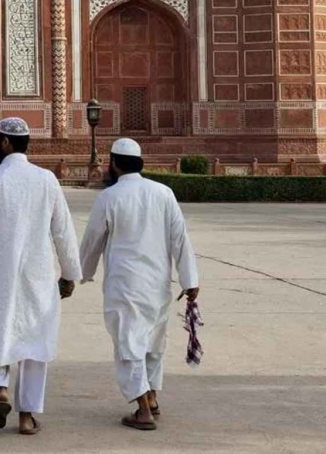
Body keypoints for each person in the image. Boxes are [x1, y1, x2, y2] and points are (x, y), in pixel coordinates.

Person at [0, 117, 81, 436]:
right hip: (38, 275)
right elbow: (63, 231)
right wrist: (70, 274)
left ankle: (0, 388)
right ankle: (27, 417)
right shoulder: (46, 179)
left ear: (6, 143)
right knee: (34, 343)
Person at [79, 137, 200, 432]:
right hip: (158, 282)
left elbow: (93, 239)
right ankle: (152, 397)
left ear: (114, 164)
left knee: (128, 344)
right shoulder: (163, 192)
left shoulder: (109, 197)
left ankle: (143, 410)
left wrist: (81, 273)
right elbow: (180, 238)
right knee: (153, 343)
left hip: (125, 284)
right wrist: (190, 280)